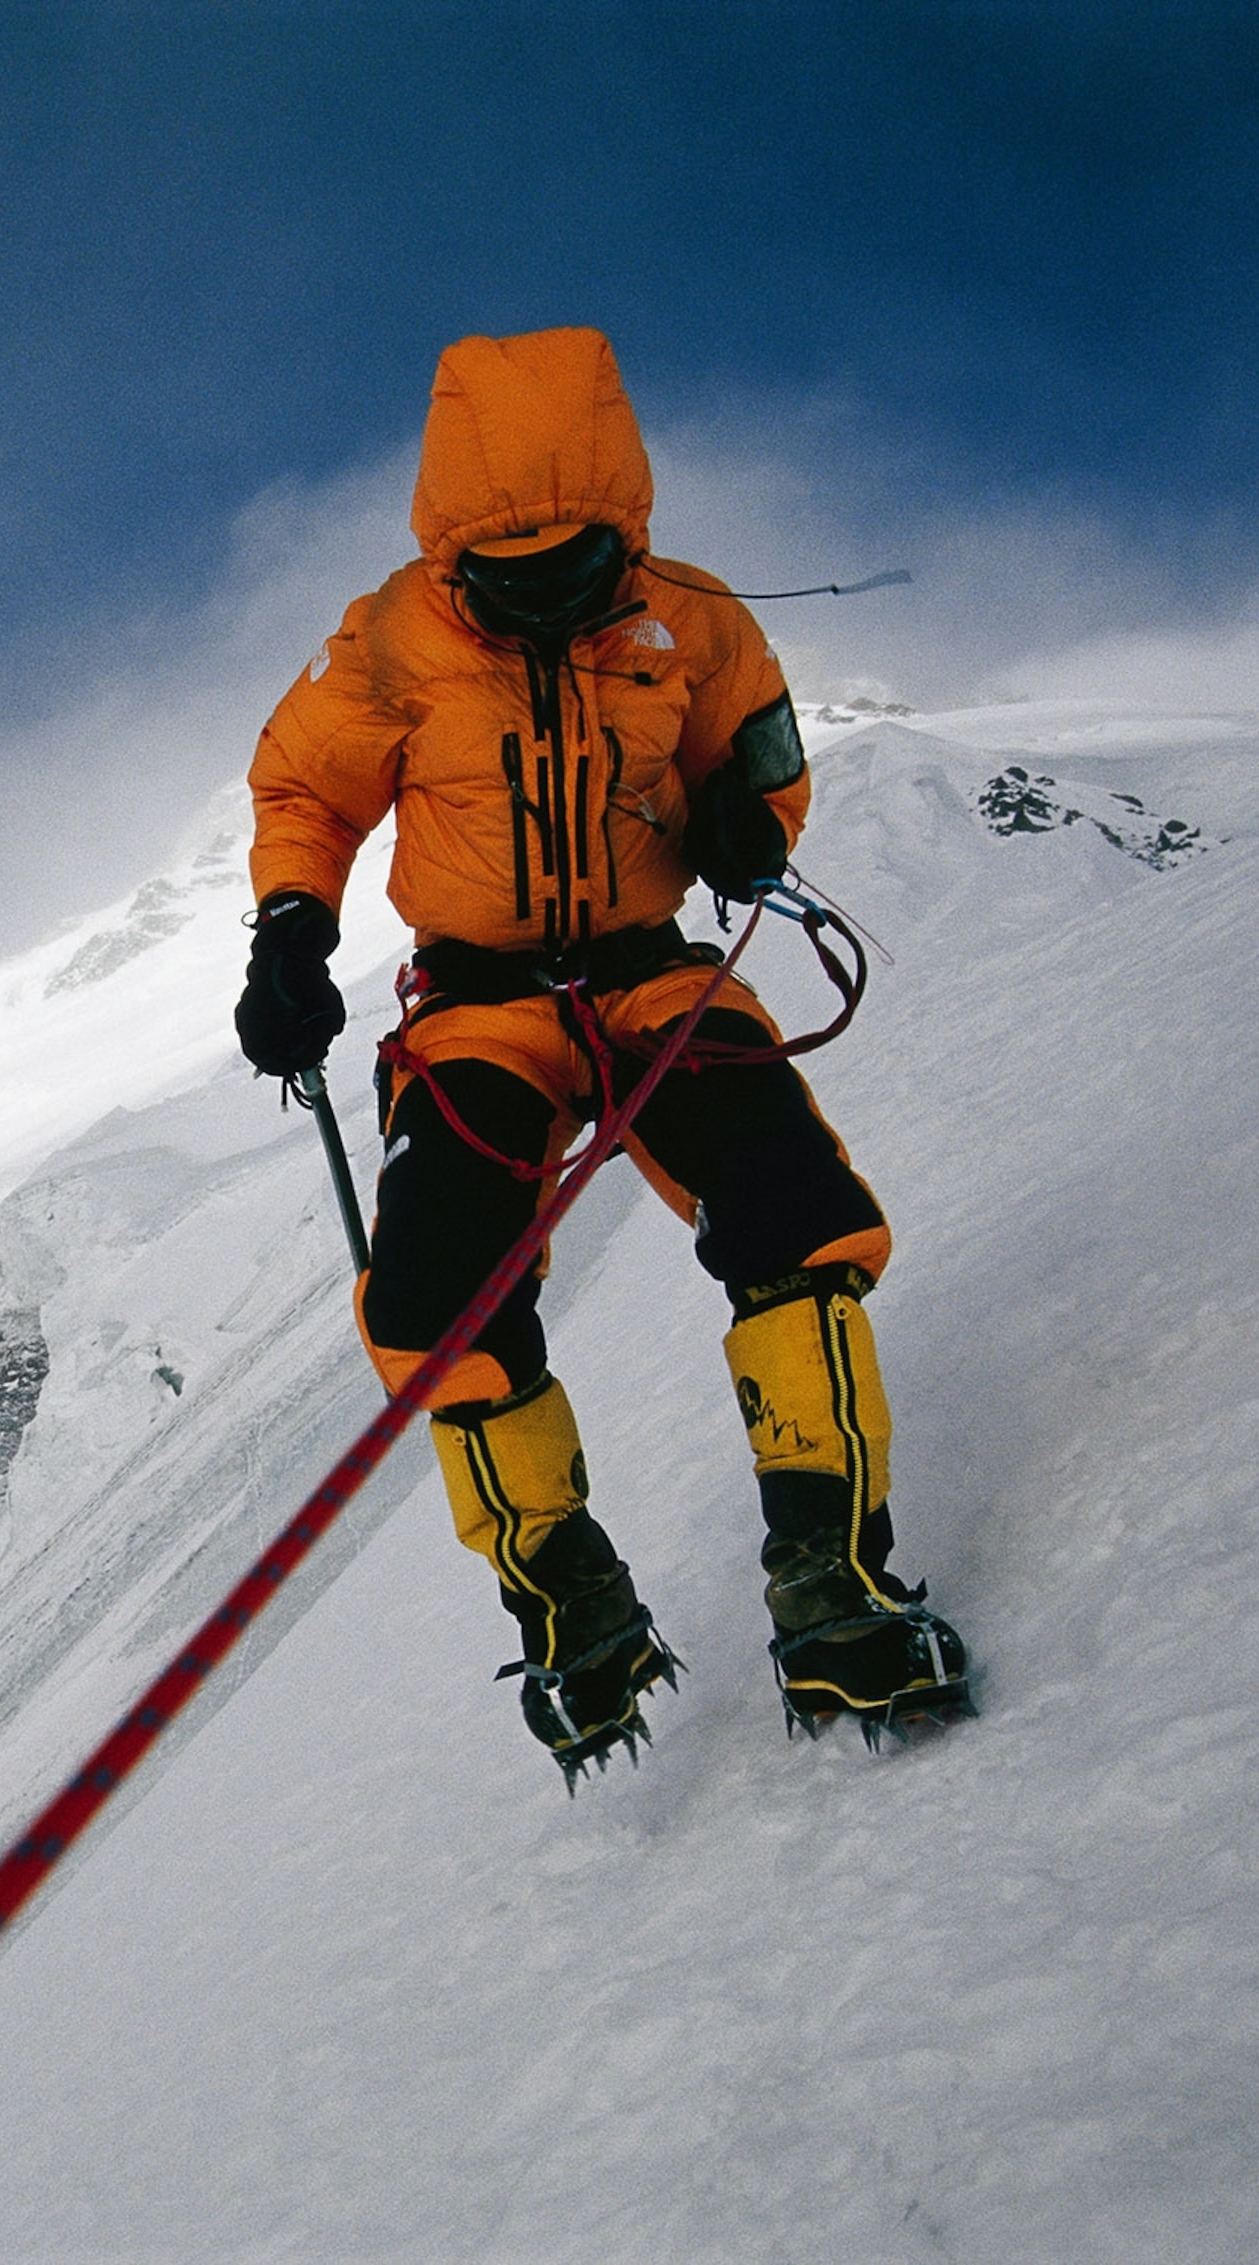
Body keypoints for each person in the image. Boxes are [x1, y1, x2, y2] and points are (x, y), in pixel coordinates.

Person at [233, 326, 970, 1781]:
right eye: (503, 581)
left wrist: (755, 828)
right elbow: (306, 789)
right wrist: (287, 933)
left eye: (569, 569)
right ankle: (573, 1600)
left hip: (650, 975)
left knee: (797, 1215)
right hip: (477, 1006)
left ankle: (832, 1577)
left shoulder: (692, 625)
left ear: (619, 531)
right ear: (455, 555)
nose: (537, 601)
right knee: (439, 1299)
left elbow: (757, 758)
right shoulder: (390, 638)